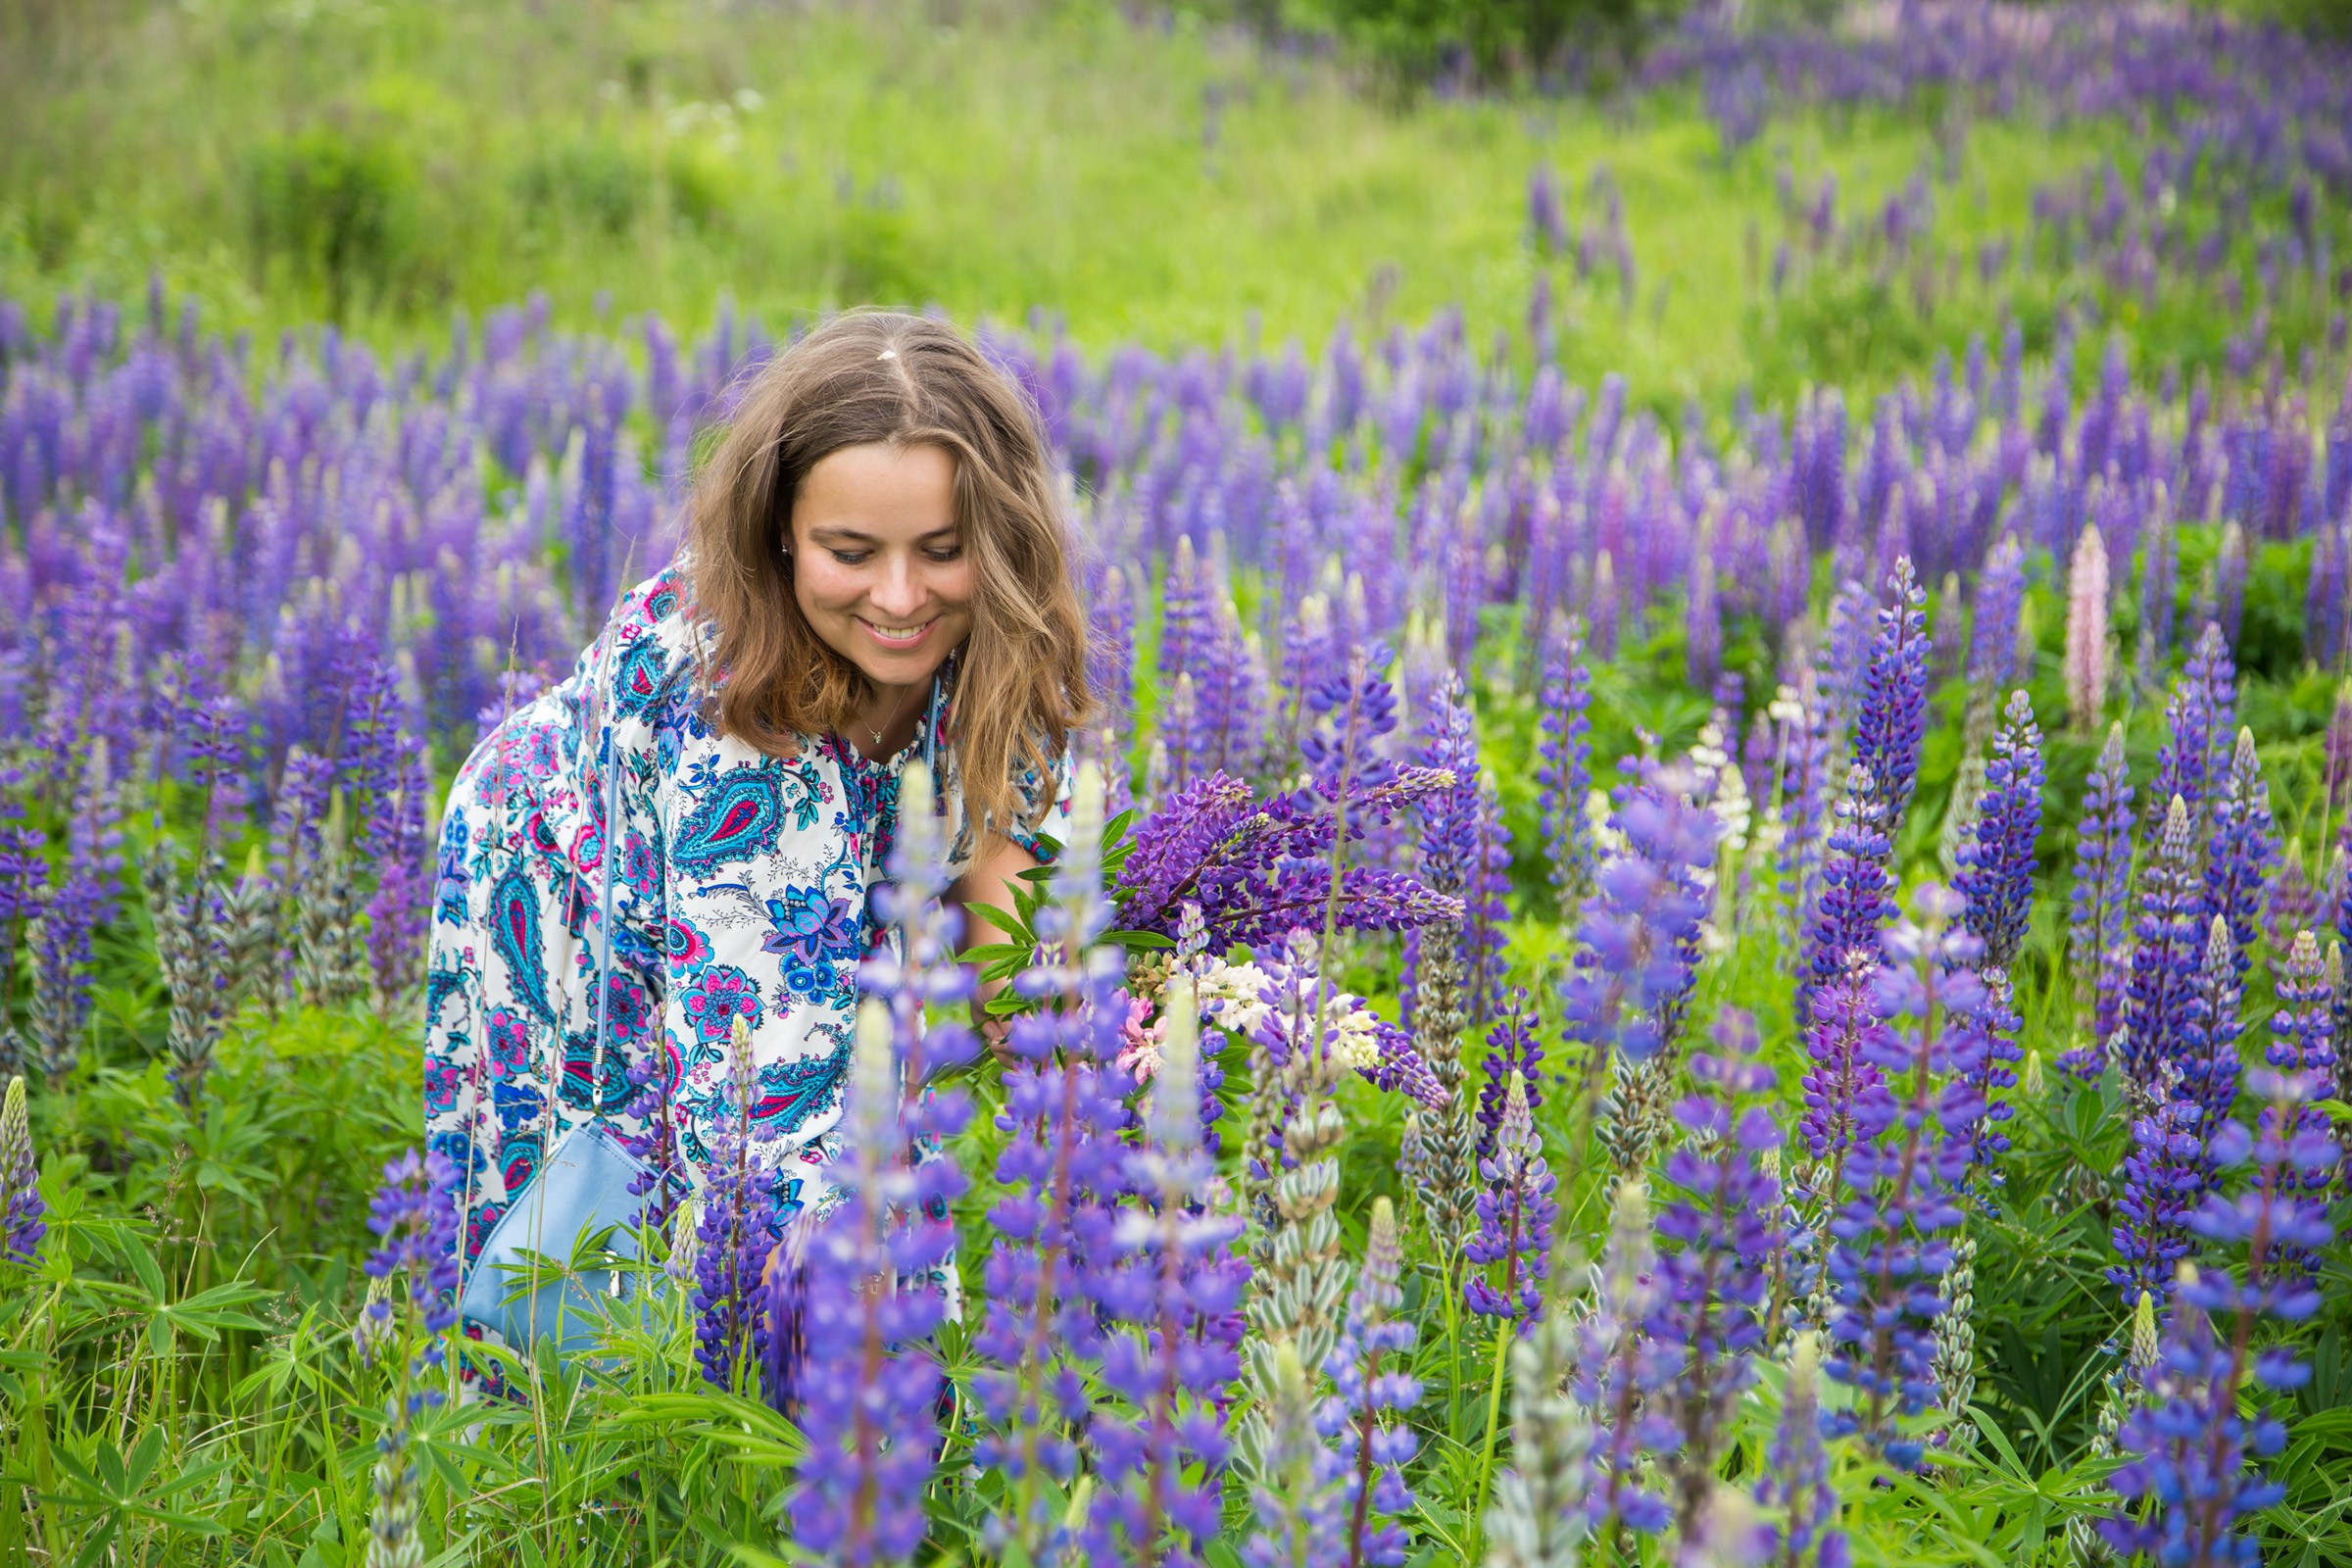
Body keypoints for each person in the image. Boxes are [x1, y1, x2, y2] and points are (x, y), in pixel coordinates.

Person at [421, 310, 1090, 1270]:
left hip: (820, 847)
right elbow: (765, 1106)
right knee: (594, 1222)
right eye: (851, 553)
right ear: (780, 533)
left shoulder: (1001, 629)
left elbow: (1007, 881)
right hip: (563, 886)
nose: (901, 598)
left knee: (847, 1123)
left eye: (942, 549)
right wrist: (887, 1354)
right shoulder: (725, 692)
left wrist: (1068, 1038)